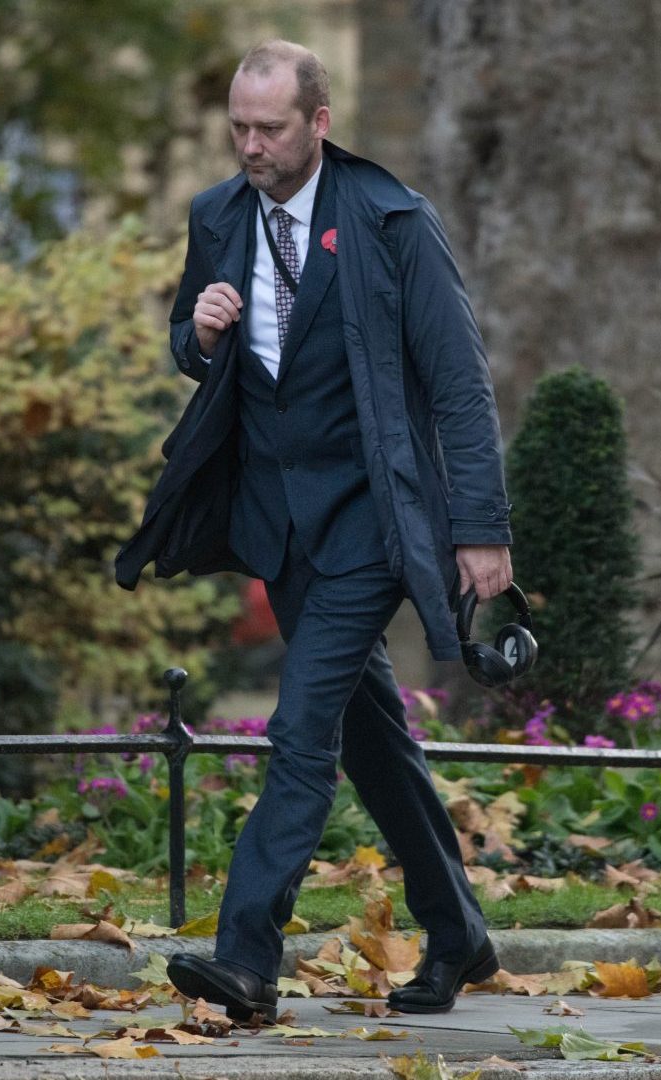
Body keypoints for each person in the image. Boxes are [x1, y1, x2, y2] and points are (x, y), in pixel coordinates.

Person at [114, 38, 513, 1021]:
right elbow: (190, 348)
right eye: (240, 128)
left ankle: (246, 959)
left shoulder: (390, 222)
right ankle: (458, 934)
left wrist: (480, 529)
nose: (251, 145)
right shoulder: (217, 217)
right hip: (281, 529)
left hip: (375, 523)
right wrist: (197, 336)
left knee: (299, 731)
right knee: (373, 742)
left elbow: (459, 386)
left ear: (318, 124)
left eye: (271, 128)